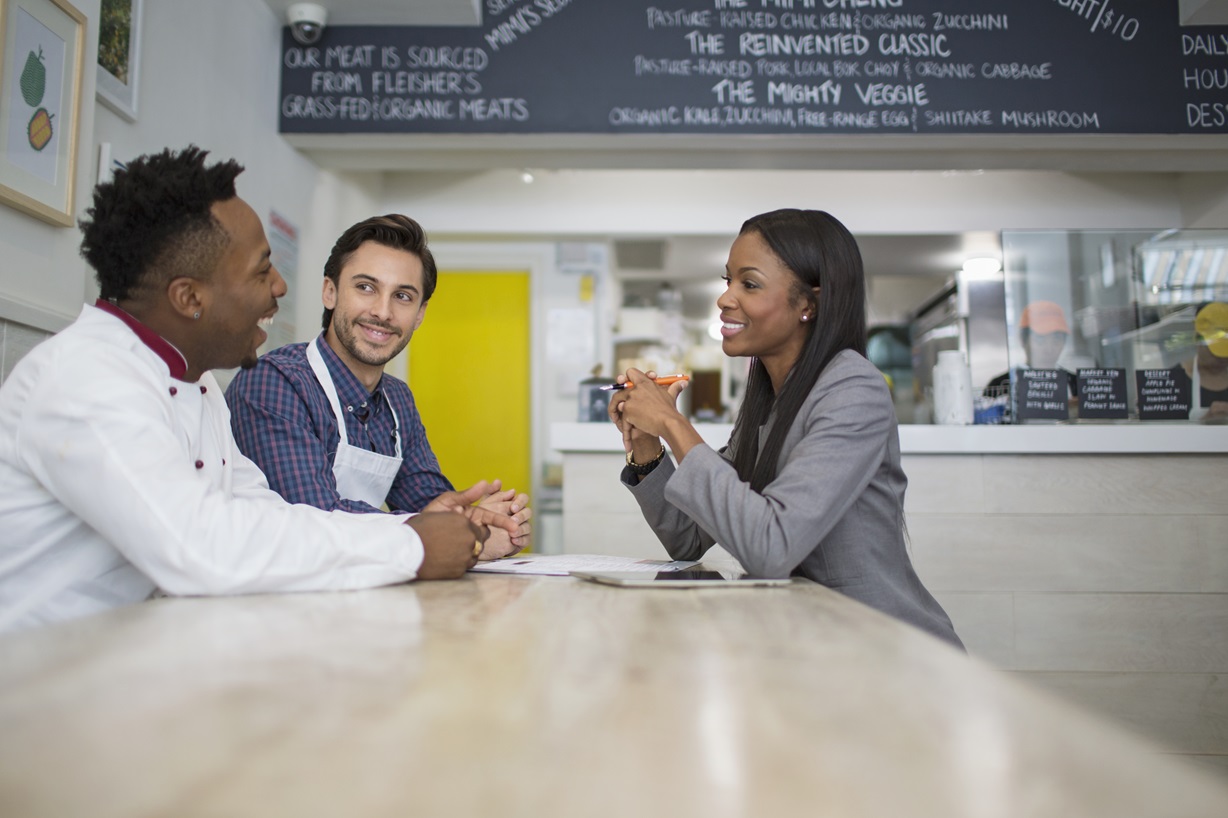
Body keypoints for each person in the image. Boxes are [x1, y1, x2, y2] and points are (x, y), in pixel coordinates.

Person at [0, 147, 516, 633]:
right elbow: (199, 548)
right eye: (260, 270)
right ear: (190, 297)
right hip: (47, 677)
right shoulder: (88, 380)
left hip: (146, 652)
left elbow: (265, 515)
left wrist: (426, 533)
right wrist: (412, 546)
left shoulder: (194, 383)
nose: (279, 287)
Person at [608, 209, 963, 649]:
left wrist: (671, 422)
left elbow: (772, 547)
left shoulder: (853, 388)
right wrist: (647, 443)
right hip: (809, 642)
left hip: (883, 648)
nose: (725, 298)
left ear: (808, 304)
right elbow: (687, 538)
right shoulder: (770, 400)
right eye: (728, 281)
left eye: (749, 284)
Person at [225, 215, 530, 558]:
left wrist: (483, 521)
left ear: (419, 314)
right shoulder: (276, 382)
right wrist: (457, 536)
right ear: (330, 292)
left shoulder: (397, 399)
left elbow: (430, 503)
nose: (383, 312)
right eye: (366, 287)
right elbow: (314, 519)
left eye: (402, 295)